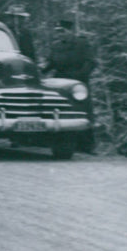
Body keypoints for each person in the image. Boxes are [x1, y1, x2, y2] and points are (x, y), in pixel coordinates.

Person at [43, 19, 97, 153]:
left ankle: (87, 146)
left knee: (83, 111)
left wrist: (80, 76)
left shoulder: (82, 43)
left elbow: (91, 62)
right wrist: (41, 71)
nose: (60, 34)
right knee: (60, 111)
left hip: (78, 83)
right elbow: (50, 63)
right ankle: (61, 143)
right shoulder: (55, 46)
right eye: (58, 32)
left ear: (71, 31)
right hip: (60, 83)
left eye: (63, 31)